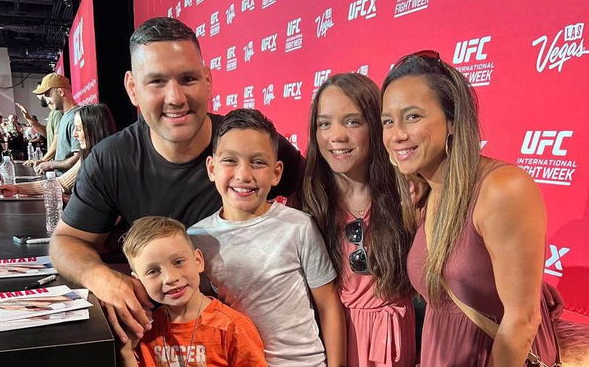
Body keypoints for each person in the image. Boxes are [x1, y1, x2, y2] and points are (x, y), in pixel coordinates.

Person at [49, 16, 303, 344]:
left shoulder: (251, 143)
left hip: (258, 340)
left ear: (208, 81)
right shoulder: (112, 158)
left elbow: (316, 201)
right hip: (167, 341)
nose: (175, 98)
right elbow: (65, 241)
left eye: (187, 79)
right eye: (156, 82)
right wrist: (100, 277)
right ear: (133, 89)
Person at [381, 50, 559, 366]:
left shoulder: (502, 187)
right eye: (388, 121)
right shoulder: (428, 194)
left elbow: (522, 321)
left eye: (413, 116)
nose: (397, 134)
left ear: (452, 121)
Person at [188, 109, 346, 366]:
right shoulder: (196, 238)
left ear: (276, 172)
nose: (243, 175)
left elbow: (328, 304)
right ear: (212, 168)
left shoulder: (298, 226)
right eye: (230, 161)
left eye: (258, 162)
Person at [301, 73, 416, 367]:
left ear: (376, 127)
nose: (335, 136)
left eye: (352, 121)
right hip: (330, 340)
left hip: (396, 342)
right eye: (324, 123)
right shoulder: (308, 200)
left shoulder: (408, 192)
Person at [119, 216, 267, 367]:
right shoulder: (144, 329)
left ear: (198, 261)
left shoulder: (233, 327)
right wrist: (127, 350)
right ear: (138, 281)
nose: (170, 278)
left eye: (178, 262)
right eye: (153, 271)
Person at [0, 103, 116, 197]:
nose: (74, 134)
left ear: (94, 130)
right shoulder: (90, 157)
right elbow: (61, 184)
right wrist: (16, 188)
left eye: (78, 129)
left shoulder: (109, 161)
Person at [32, 73, 80, 175]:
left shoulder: (75, 117)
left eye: (48, 95)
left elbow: (78, 158)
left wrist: (50, 164)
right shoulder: (65, 116)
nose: (47, 101)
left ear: (61, 92)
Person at [16, 91, 63, 166]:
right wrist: (28, 118)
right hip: (55, 162)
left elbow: (58, 140)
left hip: (60, 163)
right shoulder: (52, 113)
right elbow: (46, 133)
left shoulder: (57, 113)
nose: (38, 96)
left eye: (41, 93)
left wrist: (42, 160)